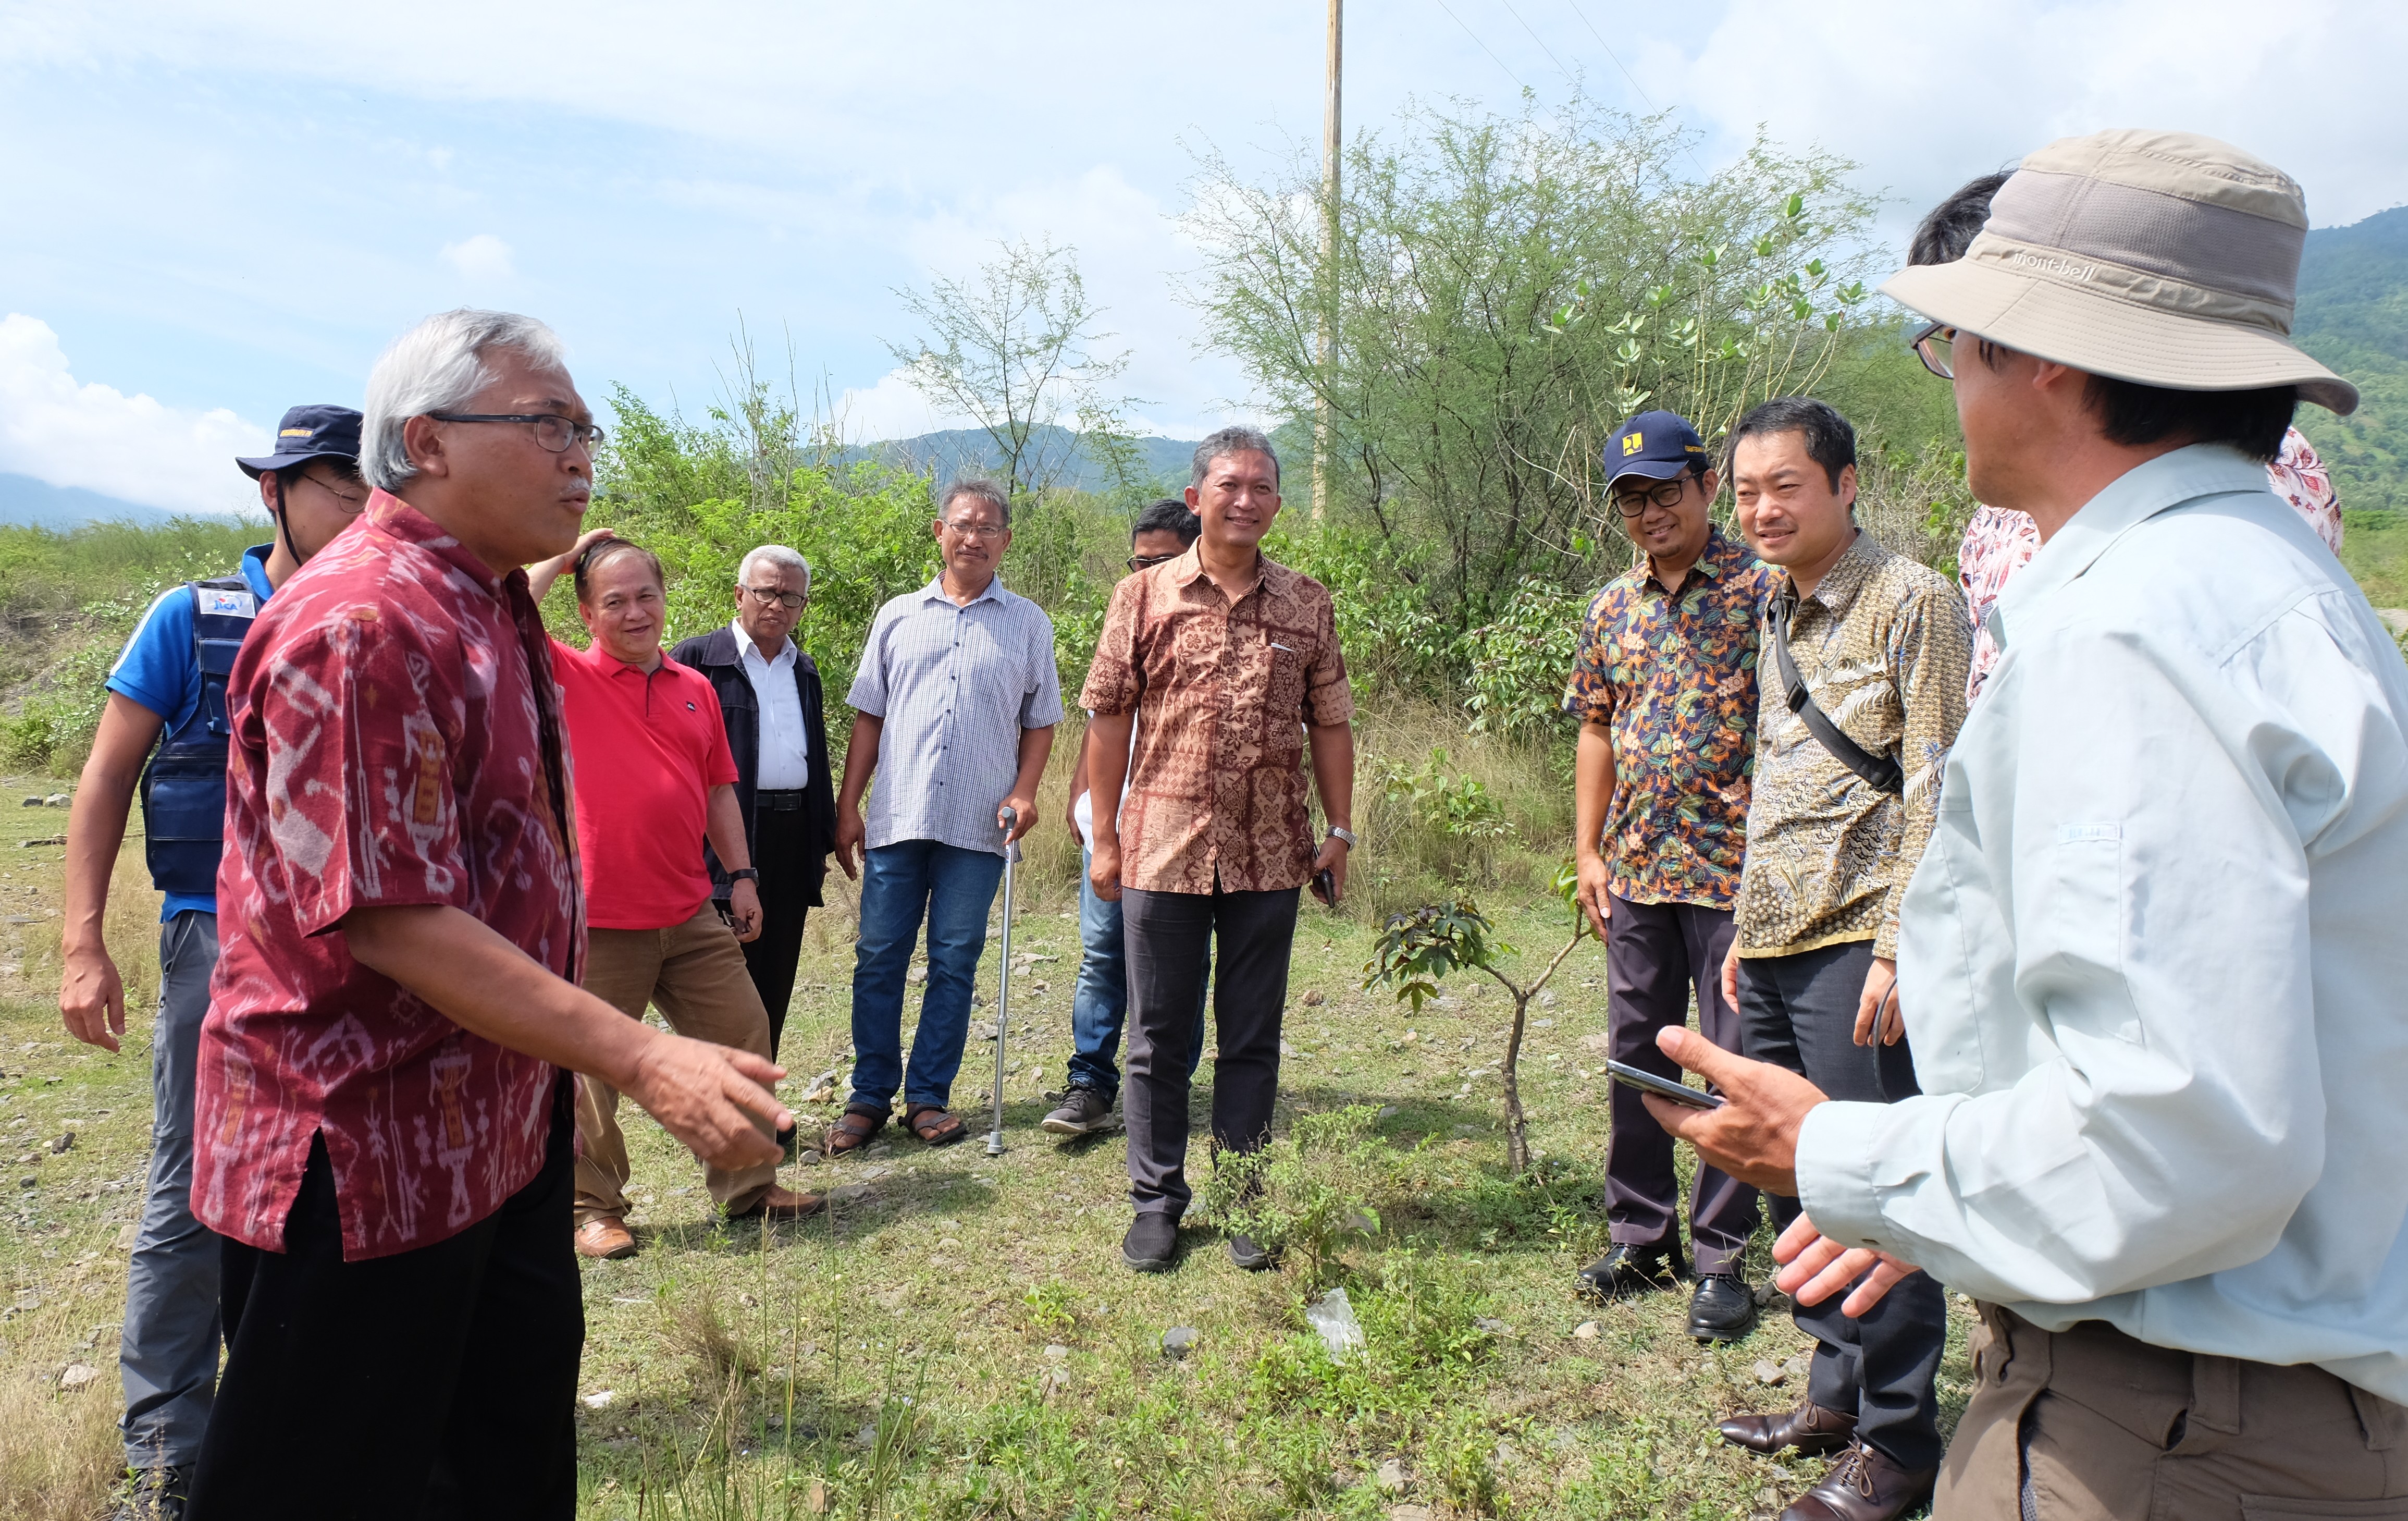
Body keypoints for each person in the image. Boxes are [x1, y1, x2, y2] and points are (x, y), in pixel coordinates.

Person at [1652, 129, 2408, 1521]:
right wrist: (1935, 1203)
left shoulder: (2134, 629)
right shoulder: (2274, 589)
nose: (1949, 383)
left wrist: (1837, 1154)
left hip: (2168, 1427)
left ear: (2046, 361)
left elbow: (2178, 1137)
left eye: (1958, 346)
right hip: (2238, 1387)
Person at [183, 309, 790, 1519]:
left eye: (587, 427)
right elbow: (392, 918)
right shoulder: (364, 621)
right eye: (549, 423)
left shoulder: (491, 607)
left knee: (501, 1473)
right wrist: (640, 1053)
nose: (582, 455)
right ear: (427, 441)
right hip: (357, 1165)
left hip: (498, 1135)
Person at [56, 404, 364, 1518]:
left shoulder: (378, 620)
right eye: (337, 487)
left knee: (332, 1188)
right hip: (215, 940)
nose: (359, 509)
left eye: (369, 490)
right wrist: (83, 940)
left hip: (357, 950)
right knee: (194, 1191)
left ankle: (299, 1415)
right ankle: (170, 1445)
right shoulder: (192, 620)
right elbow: (102, 781)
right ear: (276, 494)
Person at [1708, 396, 1970, 1521]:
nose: (1762, 509)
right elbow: (1779, 778)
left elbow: (1939, 782)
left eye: (1785, 487)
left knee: (1877, 1191)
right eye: (1747, 490)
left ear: (1845, 484)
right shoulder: (1772, 605)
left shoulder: (1916, 601)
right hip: (1772, 936)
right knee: (1801, 1183)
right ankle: (1834, 1395)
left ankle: (1900, 1442)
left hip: (1862, 938)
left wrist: (1903, 946)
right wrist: (1741, 923)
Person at [1081, 426, 1356, 1274]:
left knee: (1251, 1038)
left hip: (1272, 852)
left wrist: (1338, 831)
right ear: (1197, 495)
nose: (1245, 499)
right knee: (1157, 1038)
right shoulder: (1143, 596)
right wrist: (1105, 833)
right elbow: (1108, 714)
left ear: (1278, 503)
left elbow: (1333, 722)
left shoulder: (1308, 602)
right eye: (1229, 484)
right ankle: (1156, 1203)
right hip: (1161, 847)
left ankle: (1243, 1197)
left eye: (1262, 486)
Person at [1912, 172, 2350, 704]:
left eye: (1953, 333)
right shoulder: (2005, 513)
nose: (1954, 369)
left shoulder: (2137, 615)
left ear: (2036, 343)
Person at [523, 531, 823, 1261]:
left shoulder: (695, 689)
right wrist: (564, 556)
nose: (635, 613)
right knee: (589, 1074)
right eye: (615, 601)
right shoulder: (562, 673)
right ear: (587, 614)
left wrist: (742, 875)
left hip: (690, 909)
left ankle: (750, 1187)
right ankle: (593, 1208)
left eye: (646, 596)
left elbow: (719, 790)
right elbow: (504, 611)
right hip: (598, 918)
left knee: (744, 1034)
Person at [1562, 409, 1776, 1341]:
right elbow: (1595, 726)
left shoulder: (1767, 590)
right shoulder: (1612, 606)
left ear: (1706, 484)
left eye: (1666, 492)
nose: (1652, 514)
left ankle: (1724, 1255)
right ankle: (1641, 1233)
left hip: (1739, 871)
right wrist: (1586, 848)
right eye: (1633, 501)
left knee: (1732, 1061)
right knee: (1636, 1054)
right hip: (1640, 867)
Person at [826, 477, 1060, 1155]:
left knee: (954, 960)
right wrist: (849, 806)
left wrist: (1026, 790)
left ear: (1006, 541)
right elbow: (869, 716)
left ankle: (927, 1095)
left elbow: (1040, 722)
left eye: (988, 528)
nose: (974, 536)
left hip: (978, 826)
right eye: (963, 524)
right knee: (877, 958)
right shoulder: (898, 615)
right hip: (898, 817)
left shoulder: (1028, 623)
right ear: (940, 531)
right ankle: (869, 1095)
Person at [1041, 499, 1210, 1138]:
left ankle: (1165, 1082)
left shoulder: (1216, 618)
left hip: (1183, 829)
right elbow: (1106, 720)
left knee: (1183, 962)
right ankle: (1090, 1082)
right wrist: (1085, 799)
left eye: (1159, 561)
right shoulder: (1129, 607)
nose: (1144, 573)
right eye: (1137, 561)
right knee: (1102, 953)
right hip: (1113, 827)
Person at [670, 545, 844, 1058]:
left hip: (790, 839)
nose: (778, 604)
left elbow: (814, 758)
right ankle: (724, 1108)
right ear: (740, 594)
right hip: (721, 840)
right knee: (725, 985)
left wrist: (824, 836)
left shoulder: (803, 669)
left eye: (792, 596)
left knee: (776, 977)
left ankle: (759, 1108)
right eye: (768, 591)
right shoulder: (697, 660)